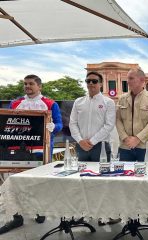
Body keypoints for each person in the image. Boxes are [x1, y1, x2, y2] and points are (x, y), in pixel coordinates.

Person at [0, 74, 63, 234]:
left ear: (39, 86)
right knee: (13, 184)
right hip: (16, 151)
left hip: (40, 152)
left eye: (31, 84)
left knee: (38, 182)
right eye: (25, 84)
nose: (27, 86)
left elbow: (59, 123)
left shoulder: (50, 103)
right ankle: (16, 217)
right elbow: (6, 122)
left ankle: (39, 209)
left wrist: (53, 127)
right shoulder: (15, 103)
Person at [69, 71, 115, 162]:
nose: (90, 83)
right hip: (81, 146)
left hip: (101, 146)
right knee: (81, 175)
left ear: (101, 84)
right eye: (88, 81)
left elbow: (109, 125)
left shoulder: (108, 102)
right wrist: (80, 141)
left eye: (94, 81)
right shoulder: (78, 102)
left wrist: (92, 141)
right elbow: (72, 123)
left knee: (102, 175)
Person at [116, 68, 148, 161]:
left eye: (131, 78)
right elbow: (118, 120)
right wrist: (125, 138)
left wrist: (137, 139)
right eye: (127, 79)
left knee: (147, 173)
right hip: (125, 146)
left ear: (142, 80)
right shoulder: (122, 99)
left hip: (145, 146)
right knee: (125, 174)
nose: (127, 81)